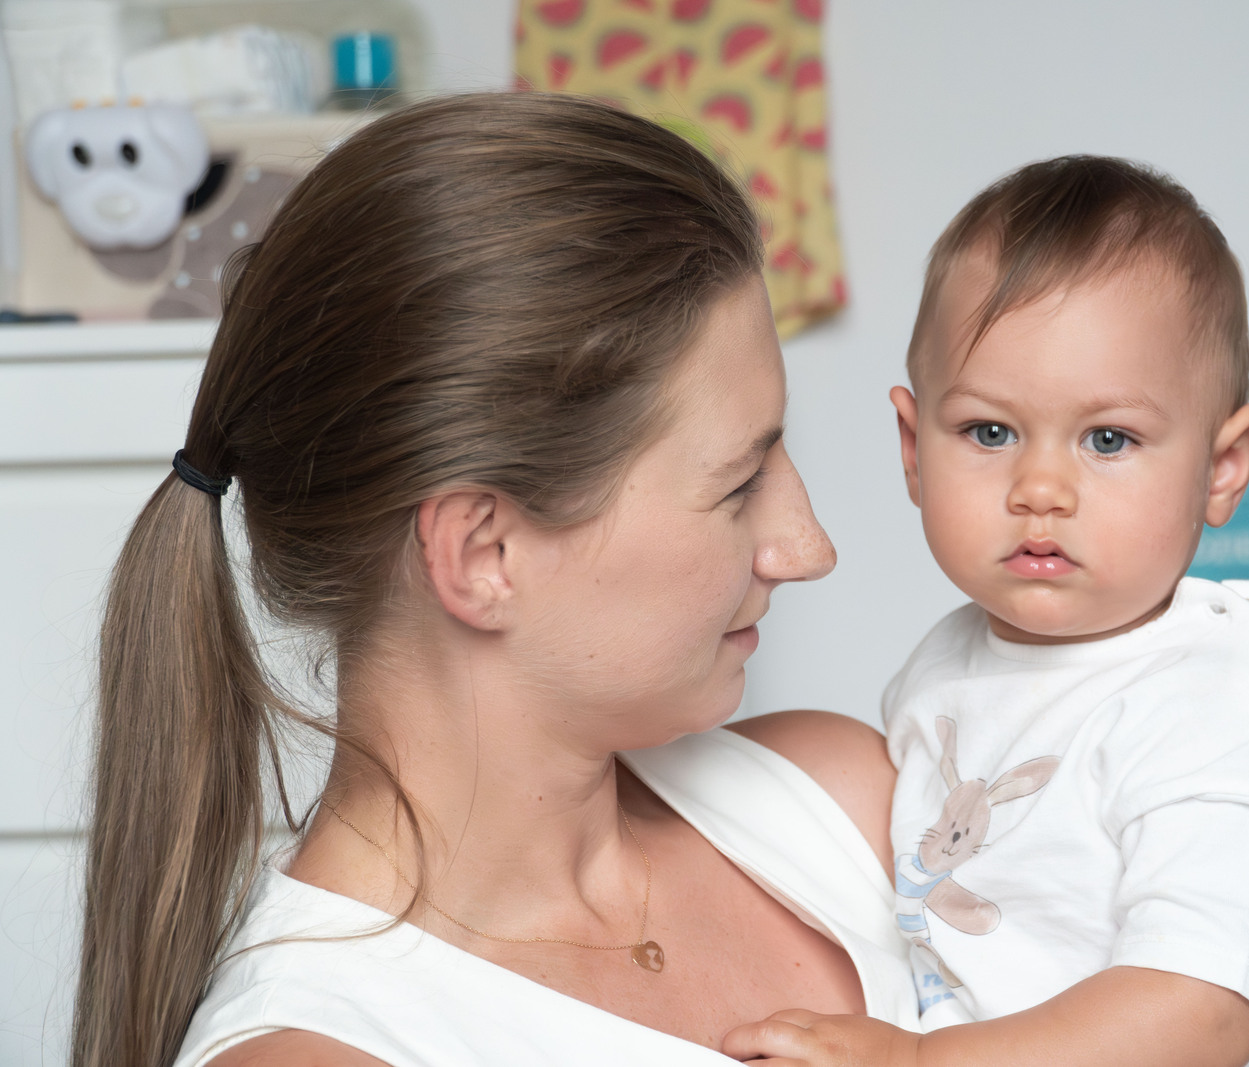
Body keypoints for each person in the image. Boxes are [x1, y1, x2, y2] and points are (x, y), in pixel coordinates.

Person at [71, 91, 918, 1067]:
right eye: (738, 484)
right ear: (484, 554)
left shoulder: (851, 805)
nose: (807, 547)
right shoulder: (328, 1045)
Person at [723, 158, 1249, 1065]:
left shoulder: (1209, 706)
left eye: (1109, 439)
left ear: (1223, 467)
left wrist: (914, 1060)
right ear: (913, 447)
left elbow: (1200, 1013)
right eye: (991, 431)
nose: (1041, 488)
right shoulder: (945, 667)